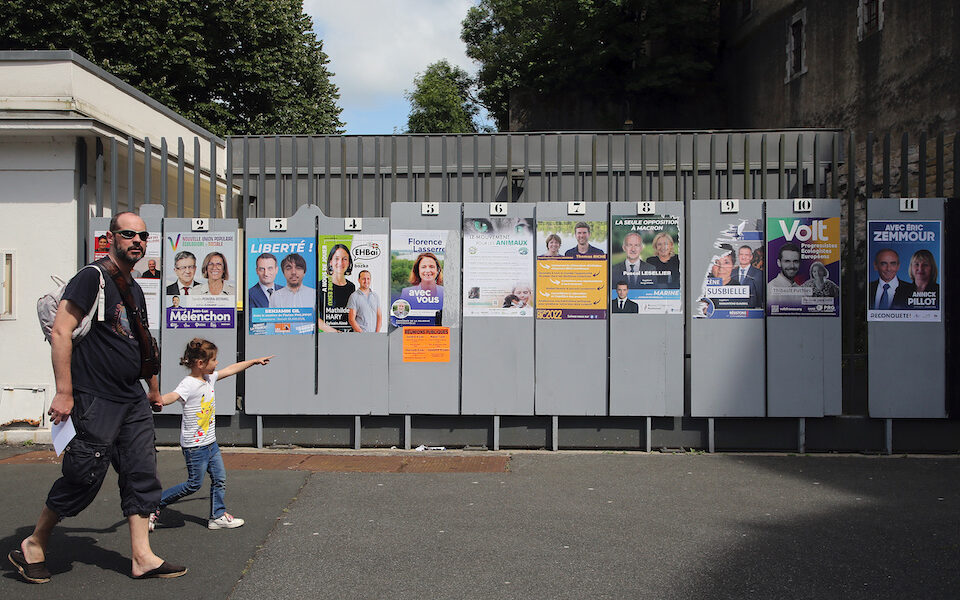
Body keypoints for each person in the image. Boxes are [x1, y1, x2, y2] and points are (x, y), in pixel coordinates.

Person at [11, 211, 186, 583]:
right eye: (128, 234)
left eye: (142, 236)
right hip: (95, 397)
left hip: (132, 398)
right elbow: (62, 331)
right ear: (111, 238)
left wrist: (152, 389)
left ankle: (142, 556)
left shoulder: (133, 287)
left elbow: (142, 341)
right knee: (83, 474)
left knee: (142, 472)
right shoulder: (92, 277)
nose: (137, 241)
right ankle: (35, 543)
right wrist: (63, 392)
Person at [150, 339, 272, 532]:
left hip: (210, 443)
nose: (217, 364)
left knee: (219, 478)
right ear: (200, 363)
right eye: (214, 360)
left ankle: (217, 516)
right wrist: (159, 401)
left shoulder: (209, 378)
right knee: (193, 484)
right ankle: (154, 505)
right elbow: (173, 396)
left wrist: (254, 361)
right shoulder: (188, 384)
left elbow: (231, 369)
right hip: (194, 446)